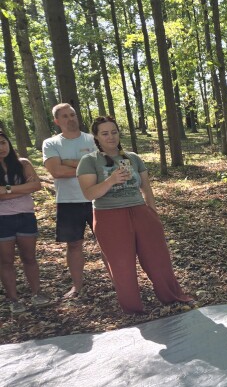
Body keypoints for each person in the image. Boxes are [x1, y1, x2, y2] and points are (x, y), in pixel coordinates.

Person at [76, 116, 192, 314]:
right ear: (96, 137)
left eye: (114, 132)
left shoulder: (133, 158)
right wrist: (111, 180)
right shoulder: (89, 161)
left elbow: (146, 188)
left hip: (140, 212)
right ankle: (133, 308)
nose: (111, 137)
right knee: (122, 265)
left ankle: (171, 297)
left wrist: (152, 213)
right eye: (105, 133)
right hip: (109, 216)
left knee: (158, 258)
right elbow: (89, 194)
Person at [42, 103, 95, 299]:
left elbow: (101, 167)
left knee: (107, 242)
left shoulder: (93, 139)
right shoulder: (51, 143)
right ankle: (77, 286)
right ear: (57, 121)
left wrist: (67, 162)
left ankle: (118, 282)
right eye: (64, 116)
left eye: (72, 114)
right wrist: (86, 167)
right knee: (73, 245)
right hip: (68, 202)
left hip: (96, 198)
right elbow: (56, 171)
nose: (70, 119)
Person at [0, 131, 51, 313]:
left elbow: (36, 185)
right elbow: (28, 187)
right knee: (6, 261)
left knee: (29, 257)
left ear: (8, 143)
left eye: (3, 142)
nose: (1, 148)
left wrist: (6, 189)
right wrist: (23, 188)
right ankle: (14, 300)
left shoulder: (23, 164)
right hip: (2, 220)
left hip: (26, 217)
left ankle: (37, 293)